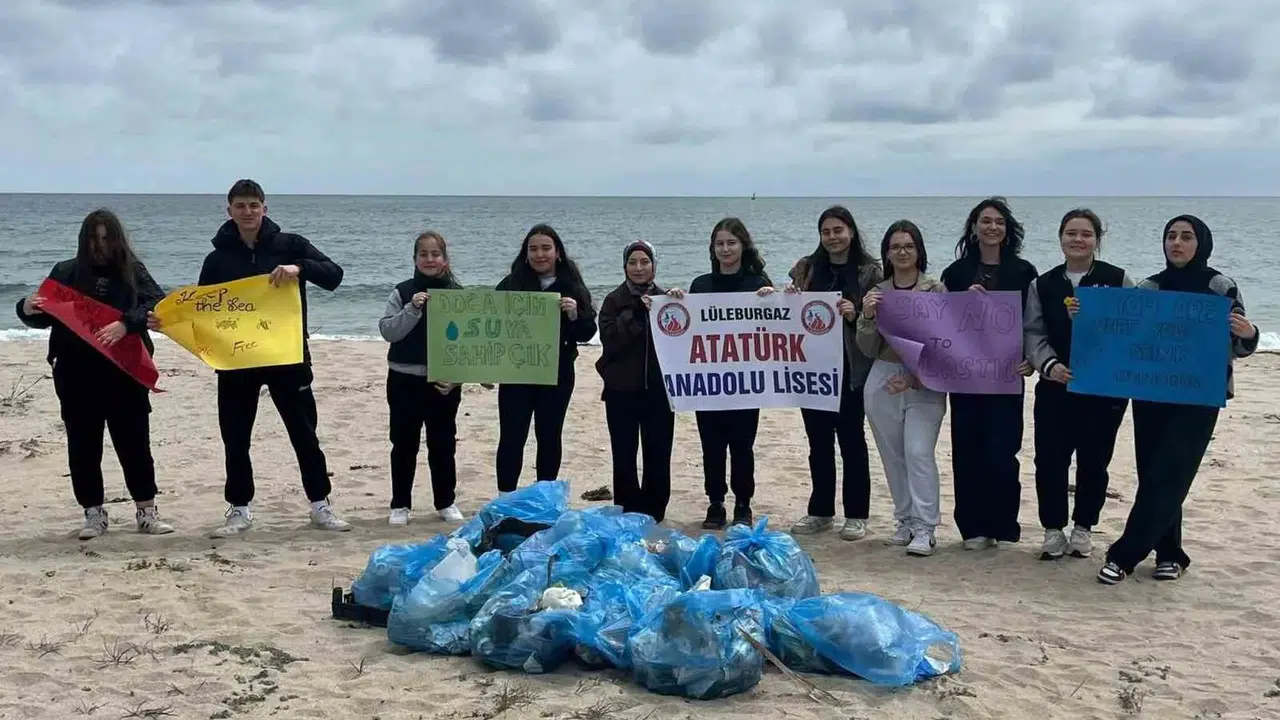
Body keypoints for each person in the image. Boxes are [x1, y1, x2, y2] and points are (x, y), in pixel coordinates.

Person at [1097, 215, 1259, 584]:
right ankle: (1170, 553)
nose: (1177, 243)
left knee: (1173, 472)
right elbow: (1125, 336)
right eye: (1171, 236)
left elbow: (1238, 346)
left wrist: (1249, 333)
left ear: (1201, 242)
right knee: (1154, 472)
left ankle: (1124, 555)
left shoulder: (1221, 286)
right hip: (1152, 393)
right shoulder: (1150, 287)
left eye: (1186, 237)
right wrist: (1086, 314)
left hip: (1199, 394)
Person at [185, 179, 348, 537]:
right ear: (229, 211)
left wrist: (299, 268)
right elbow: (202, 309)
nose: (248, 212)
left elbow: (335, 275)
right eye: (240, 206)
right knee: (236, 435)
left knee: (304, 432)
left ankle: (320, 504)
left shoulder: (290, 245)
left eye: (253, 205)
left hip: (287, 355)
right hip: (237, 359)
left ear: (265, 208)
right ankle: (239, 509)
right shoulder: (217, 259)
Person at [15, 209, 172, 539]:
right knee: (83, 447)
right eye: (93, 238)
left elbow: (160, 303)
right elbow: (44, 314)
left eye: (106, 238)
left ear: (116, 240)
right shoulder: (66, 272)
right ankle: (93, 514)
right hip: (75, 373)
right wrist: (25, 308)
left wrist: (126, 324)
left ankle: (147, 511)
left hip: (125, 372)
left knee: (134, 445)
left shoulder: (132, 271)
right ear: (83, 240)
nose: (99, 245)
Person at [1023, 209, 1134, 561]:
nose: (1078, 239)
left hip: (1103, 391)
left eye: (1086, 234)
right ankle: (1053, 529)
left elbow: (1135, 327)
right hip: (1056, 387)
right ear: (1060, 238)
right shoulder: (1043, 283)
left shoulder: (1117, 279)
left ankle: (1084, 527)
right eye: (1071, 233)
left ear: (1097, 240)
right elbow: (1033, 332)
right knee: (1050, 461)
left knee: (1095, 461)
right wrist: (1049, 365)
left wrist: (1098, 321)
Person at [939, 197, 1038, 550]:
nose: (992, 227)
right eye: (985, 221)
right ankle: (973, 528)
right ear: (974, 227)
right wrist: (964, 300)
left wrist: (1031, 358)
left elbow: (1033, 322)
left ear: (1007, 229)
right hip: (965, 375)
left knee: (1001, 452)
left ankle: (1002, 525)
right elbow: (943, 322)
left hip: (1007, 374)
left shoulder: (1023, 271)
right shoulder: (956, 273)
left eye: (998, 222)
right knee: (967, 449)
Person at [785, 205, 880, 541]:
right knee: (818, 443)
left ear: (851, 231)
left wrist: (855, 314)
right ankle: (821, 510)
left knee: (852, 441)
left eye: (838, 230)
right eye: (826, 232)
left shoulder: (870, 272)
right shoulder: (807, 269)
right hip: (812, 370)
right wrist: (787, 296)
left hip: (852, 370)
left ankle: (857, 514)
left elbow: (881, 322)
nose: (833, 237)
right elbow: (784, 309)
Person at [856, 220, 947, 556]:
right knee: (893, 456)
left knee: (919, 452)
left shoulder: (936, 290)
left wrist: (913, 375)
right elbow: (866, 347)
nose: (902, 252)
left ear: (919, 250)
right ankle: (905, 520)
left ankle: (926, 527)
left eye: (908, 246)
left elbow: (944, 342)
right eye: (896, 247)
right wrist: (866, 316)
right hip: (883, 374)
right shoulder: (879, 292)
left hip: (926, 380)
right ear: (887, 254)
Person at [682, 217, 774, 530]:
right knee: (711, 444)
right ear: (713, 248)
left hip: (746, 382)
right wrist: (673, 301)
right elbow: (686, 329)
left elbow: (778, 325)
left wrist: (777, 297)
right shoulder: (700, 285)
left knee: (742, 444)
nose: (725, 249)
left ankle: (743, 503)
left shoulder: (758, 284)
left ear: (743, 246)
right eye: (719, 243)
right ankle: (715, 501)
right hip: (708, 382)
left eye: (731, 243)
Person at [494, 224, 597, 493]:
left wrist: (575, 313)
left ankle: (545, 495)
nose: (540, 254)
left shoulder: (572, 285)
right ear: (525, 254)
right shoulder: (511, 283)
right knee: (512, 436)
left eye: (546, 248)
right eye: (533, 249)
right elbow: (490, 324)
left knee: (549, 436)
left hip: (558, 373)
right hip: (516, 372)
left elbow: (588, 331)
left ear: (558, 252)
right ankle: (506, 495)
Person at [378, 230, 465, 526]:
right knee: (403, 443)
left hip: (444, 383)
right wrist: (412, 308)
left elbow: (469, 344)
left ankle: (445, 501)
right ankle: (400, 504)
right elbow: (389, 331)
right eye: (423, 254)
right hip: (403, 379)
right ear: (414, 259)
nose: (429, 259)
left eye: (435, 254)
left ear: (445, 259)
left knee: (443, 444)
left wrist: (457, 377)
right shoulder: (402, 292)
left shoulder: (458, 294)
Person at [595, 240, 675, 522]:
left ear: (654, 265)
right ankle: (628, 507)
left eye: (644, 262)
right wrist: (635, 312)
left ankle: (655, 508)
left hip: (659, 392)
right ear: (625, 266)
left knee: (658, 452)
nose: (639, 268)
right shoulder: (614, 300)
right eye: (633, 262)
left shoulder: (665, 298)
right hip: (621, 392)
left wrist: (678, 301)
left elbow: (683, 337)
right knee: (624, 454)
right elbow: (611, 340)